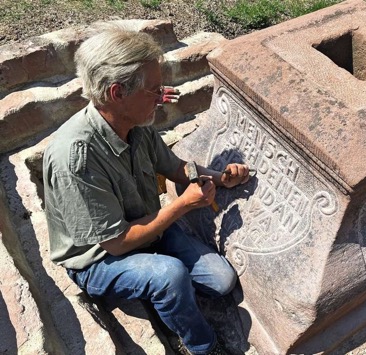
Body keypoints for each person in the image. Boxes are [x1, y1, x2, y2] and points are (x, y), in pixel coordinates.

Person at [43, 25, 250, 355]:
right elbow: (116, 243)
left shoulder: (135, 124)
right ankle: (202, 345)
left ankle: (163, 291)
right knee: (168, 275)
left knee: (221, 281)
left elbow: (174, 166)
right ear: (117, 93)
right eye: (155, 91)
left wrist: (219, 177)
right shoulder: (76, 158)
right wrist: (181, 207)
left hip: (149, 228)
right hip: (98, 260)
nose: (164, 97)